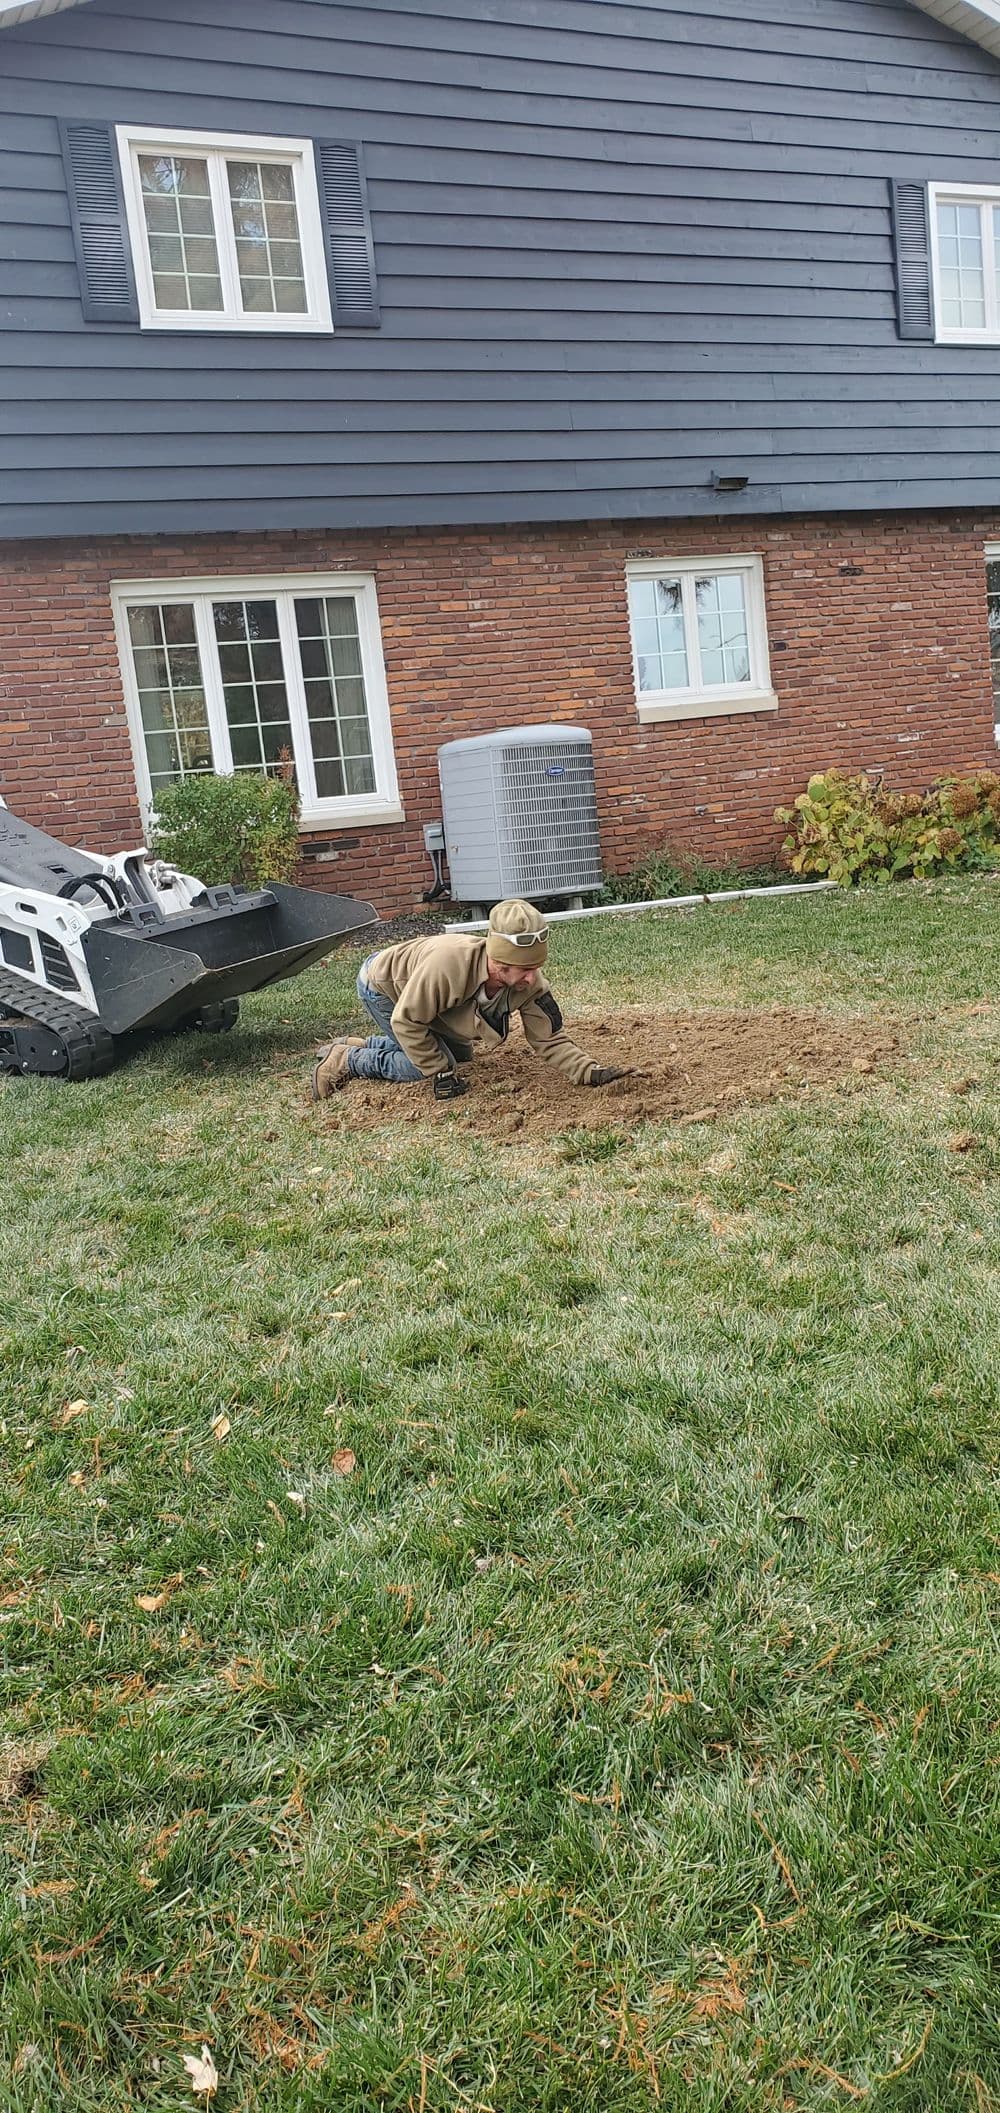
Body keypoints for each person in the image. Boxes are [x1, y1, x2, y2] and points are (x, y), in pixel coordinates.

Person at [310, 898, 626, 1101]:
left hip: (428, 1001)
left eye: (537, 967)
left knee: (460, 1057)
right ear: (499, 963)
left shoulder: (529, 983)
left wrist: (590, 1071)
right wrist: (438, 1072)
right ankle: (346, 1059)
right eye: (526, 969)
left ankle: (367, 1044)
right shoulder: (450, 966)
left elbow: (549, 1038)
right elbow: (406, 1020)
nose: (533, 978)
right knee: (426, 1065)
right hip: (384, 985)